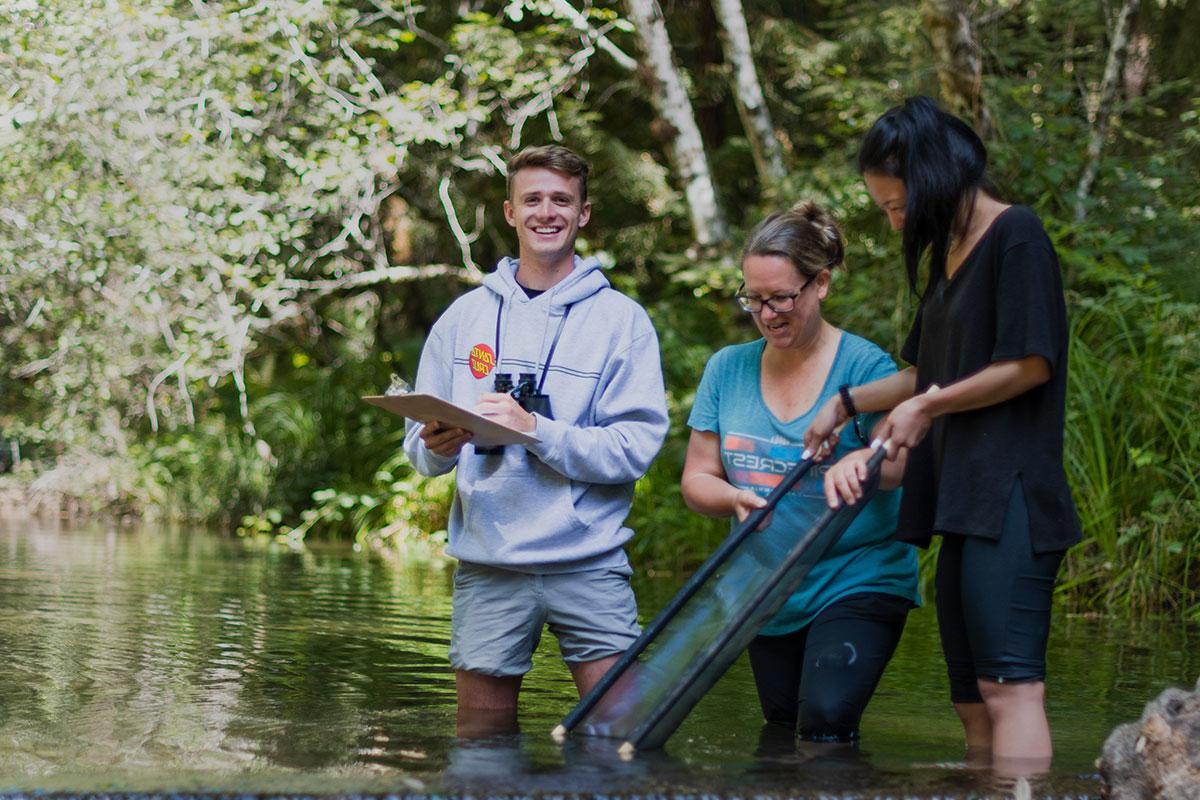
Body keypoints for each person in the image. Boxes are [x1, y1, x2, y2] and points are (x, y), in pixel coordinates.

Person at [805, 96, 1081, 770]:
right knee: (969, 697)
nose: (896, 220)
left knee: (1009, 687)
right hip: (961, 496)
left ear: (936, 179)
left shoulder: (1018, 236)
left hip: (1013, 492)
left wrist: (928, 407)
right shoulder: (948, 256)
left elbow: (1029, 363)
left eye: (899, 205)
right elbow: (927, 370)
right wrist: (845, 400)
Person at [402, 144, 669, 733]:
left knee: (620, 739)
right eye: (533, 200)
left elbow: (635, 450)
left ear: (583, 213)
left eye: (561, 200)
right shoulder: (463, 318)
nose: (546, 212)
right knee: (480, 750)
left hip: (589, 561)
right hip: (489, 562)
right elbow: (420, 453)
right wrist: (434, 446)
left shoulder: (621, 322)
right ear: (509, 212)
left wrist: (538, 432)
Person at [680, 202, 920, 744]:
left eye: (782, 297)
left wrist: (864, 459)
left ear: (821, 285)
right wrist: (732, 499)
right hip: (766, 585)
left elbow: (900, 464)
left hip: (857, 573)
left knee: (826, 722)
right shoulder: (727, 368)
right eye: (754, 299)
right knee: (782, 729)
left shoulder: (865, 367)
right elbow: (697, 479)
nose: (768, 314)